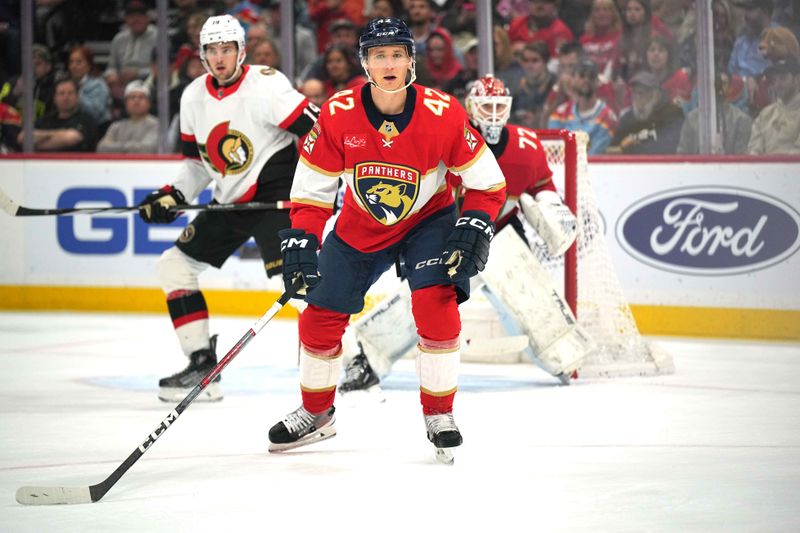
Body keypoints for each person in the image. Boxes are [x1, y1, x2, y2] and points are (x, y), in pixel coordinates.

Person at [267, 18, 507, 459]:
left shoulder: (443, 113)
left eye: (397, 54)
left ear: (411, 61)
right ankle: (317, 414)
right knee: (319, 316)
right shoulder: (338, 115)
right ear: (365, 63)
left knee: (437, 310)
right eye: (379, 55)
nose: (389, 63)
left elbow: (487, 184)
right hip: (361, 225)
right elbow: (311, 191)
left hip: (428, 222)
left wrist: (475, 222)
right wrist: (302, 236)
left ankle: (439, 413)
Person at [339, 74, 577, 395]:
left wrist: (551, 206)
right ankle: (367, 357)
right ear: (471, 107)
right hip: (449, 235)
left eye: (498, 106)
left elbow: (541, 185)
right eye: (485, 106)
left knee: (529, 292)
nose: (492, 113)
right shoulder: (447, 134)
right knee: (427, 297)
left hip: (502, 233)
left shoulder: (526, 146)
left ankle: (566, 355)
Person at [137, 15, 319, 402]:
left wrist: (319, 187)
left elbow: (315, 131)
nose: (220, 58)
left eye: (227, 49)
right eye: (212, 50)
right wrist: (172, 193)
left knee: (300, 283)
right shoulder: (192, 96)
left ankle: (349, 362)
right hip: (231, 201)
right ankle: (202, 363)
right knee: (174, 265)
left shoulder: (266, 84)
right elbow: (197, 164)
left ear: (242, 51)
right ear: (202, 55)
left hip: (276, 199)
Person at [548, 58, 618, 154]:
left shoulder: (607, 118)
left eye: (591, 77)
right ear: (572, 80)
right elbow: (553, 150)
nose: (586, 80)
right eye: (582, 75)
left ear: (598, 82)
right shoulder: (560, 113)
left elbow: (595, 156)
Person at [608, 70, 684, 154]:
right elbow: (612, 148)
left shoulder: (672, 115)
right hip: (629, 166)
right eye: (634, 93)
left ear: (656, 96)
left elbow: (667, 148)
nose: (637, 99)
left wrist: (627, 150)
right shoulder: (627, 118)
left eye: (642, 93)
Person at [677, 71, 752, 154]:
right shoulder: (692, 118)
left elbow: (741, 158)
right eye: (714, 84)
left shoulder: (741, 120)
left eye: (723, 84)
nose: (718, 88)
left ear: (730, 88)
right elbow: (682, 153)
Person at [17, 78, 98, 152]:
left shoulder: (86, 119)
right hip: (42, 164)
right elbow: (22, 137)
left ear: (77, 97)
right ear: (54, 98)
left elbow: (70, 138)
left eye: (70, 93)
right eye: (61, 93)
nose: (66, 97)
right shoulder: (45, 120)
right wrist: (57, 135)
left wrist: (37, 142)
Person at [747, 59, 800, 154]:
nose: (777, 84)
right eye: (775, 80)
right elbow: (754, 150)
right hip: (763, 168)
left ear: (797, 79)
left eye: (783, 78)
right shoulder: (765, 114)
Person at [97, 80, 159, 153]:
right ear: (126, 103)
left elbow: (147, 149)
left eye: (141, 97)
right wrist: (132, 147)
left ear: (149, 103)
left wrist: (115, 146)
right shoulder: (116, 126)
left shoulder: (156, 125)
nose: (136, 101)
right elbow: (101, 148)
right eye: (132, 97)